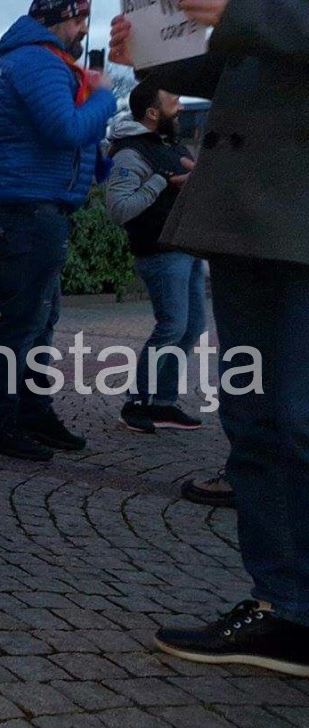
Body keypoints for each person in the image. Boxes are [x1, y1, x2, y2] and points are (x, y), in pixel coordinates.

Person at [111, 0, 309, 675]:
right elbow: (239, 64)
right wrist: (151, 53)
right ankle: (285, 609)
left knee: (295, 419)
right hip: (246, 216)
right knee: (254, 423)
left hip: (291, 211)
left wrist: (236, 10)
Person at [0, 0, 116, 462]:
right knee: (24, 320)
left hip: (31, 205)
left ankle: (31, 411)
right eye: (78, 20)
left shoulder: (32, 58)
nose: (82, 30)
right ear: (57, 18)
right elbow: (64, 129)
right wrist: (105, 98)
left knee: (39, 317)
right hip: (31, 207)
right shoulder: (38, 60)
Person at [106, 81, 205, 434]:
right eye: (173, 101)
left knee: (192, 327)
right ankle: (137, 403)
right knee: (172, 326)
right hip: (160, 252)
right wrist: (163, 182)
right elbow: (119, 209)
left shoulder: (170, 145)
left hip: (187, 249)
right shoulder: (130, 153)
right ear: (151, 112)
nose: (181, 107)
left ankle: (163, 403)